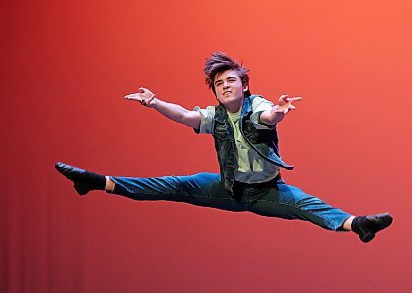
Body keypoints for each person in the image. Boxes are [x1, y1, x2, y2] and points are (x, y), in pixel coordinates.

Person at [56, 52, 392, 243]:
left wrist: (278, 111)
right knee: (175, 185)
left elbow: (268, 117)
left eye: (230, 80)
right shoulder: (214, 115)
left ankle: (357, 224)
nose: (224, 86)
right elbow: (186, 115)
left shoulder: (257, 105)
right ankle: (98, 183)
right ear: (215, 93)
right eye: (219, 84)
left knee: (306, 204)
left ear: (244, 85)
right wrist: (154, 102)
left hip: (266, 192)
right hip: (228, 189)